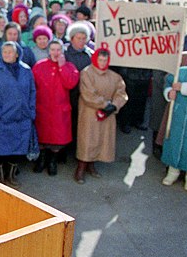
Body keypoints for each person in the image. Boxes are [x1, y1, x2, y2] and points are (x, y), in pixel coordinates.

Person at [0, 42, 36, 187]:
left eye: (10, 52)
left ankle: (11, 176)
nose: (7, 54)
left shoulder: (26, 70)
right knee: (0, 149)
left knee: (18, 149)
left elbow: (32, 92)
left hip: (22, 116)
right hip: (3, 117)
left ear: (17, 54)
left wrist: (30, 111)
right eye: (5, 52)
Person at [75, 47, 127, 184]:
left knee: (101, 139)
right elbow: (88, 94)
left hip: (108, 114)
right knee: (87, 139)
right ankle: (81, 168)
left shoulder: (115, 76)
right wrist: (105, 105)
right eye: (100, 60)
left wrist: (115, 106)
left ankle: (92, 165)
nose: (103, 63)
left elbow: (121, 93)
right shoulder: (86, 73)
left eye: (105, 60)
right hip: (89, 112)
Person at [32, 40, 80, 176]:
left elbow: (70, 83)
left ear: (62, 51)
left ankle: (53, 161)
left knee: (57, 139)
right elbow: (33, 87)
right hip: (42, 108)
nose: (55, 53)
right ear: (48, 51)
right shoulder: (39, 66)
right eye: (53, 50)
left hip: (60, 110)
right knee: (42, 136)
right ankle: (41, 160)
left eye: (58, 50)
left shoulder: (70, 66)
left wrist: (62, 67)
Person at [161, 65, 187, 190]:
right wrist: (169, 92)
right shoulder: (181, 72)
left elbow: (181, 87)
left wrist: (183, 87)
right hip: (178, 115)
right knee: (175, 141)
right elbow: (168, 82)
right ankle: (173, 172)